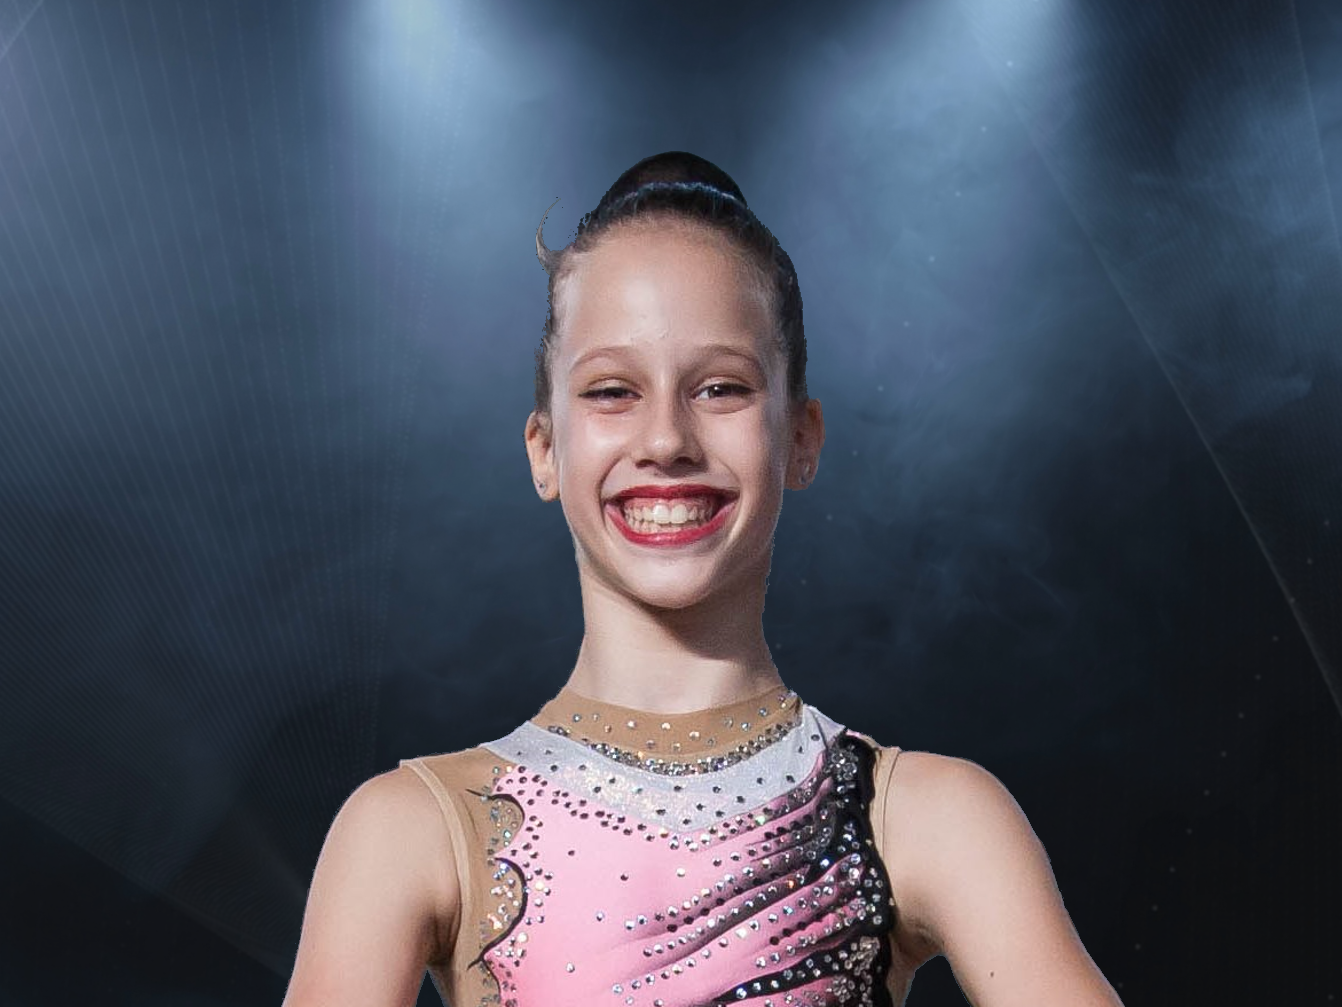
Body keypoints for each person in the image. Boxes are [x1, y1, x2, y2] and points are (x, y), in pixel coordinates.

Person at [281, 152, 1125, 1007]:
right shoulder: (409, 830)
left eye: (720, 387)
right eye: (612, 390)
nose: (665, 440)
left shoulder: (931, 819)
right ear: (545, 447)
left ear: (801, 437)